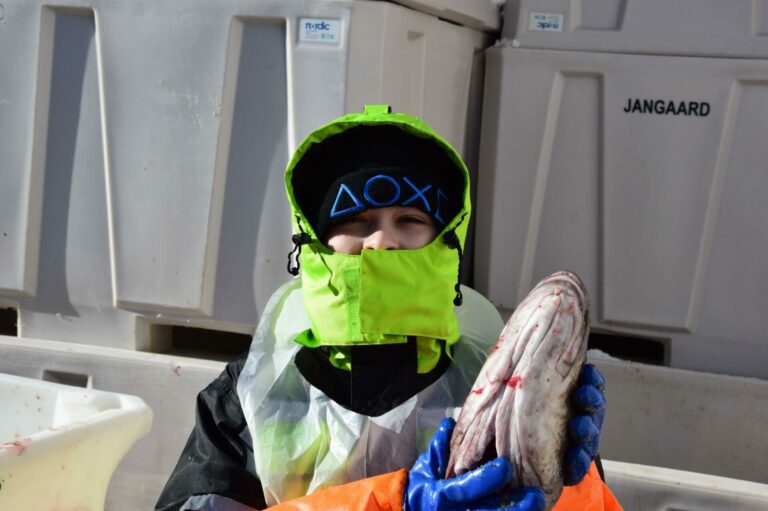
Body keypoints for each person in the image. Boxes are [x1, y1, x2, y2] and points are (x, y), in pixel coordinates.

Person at [156, 105, 622, 511]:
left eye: (411, 219)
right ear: (311, 241)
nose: (382, 240)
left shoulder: (495, 379)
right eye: (356, 220)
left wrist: (560, 469)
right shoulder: (255, 390)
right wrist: (394, 505)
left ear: (446, 242)